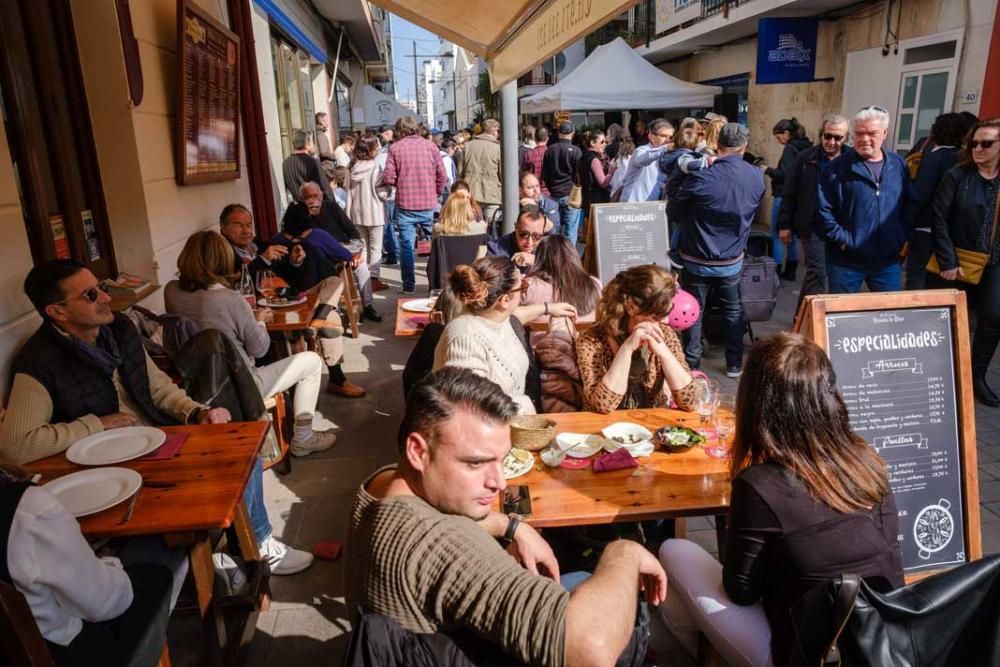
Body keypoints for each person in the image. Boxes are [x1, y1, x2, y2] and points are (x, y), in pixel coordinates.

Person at [1, 260, 313, 575]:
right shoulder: (39, 361)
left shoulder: (118, 330)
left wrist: (196, 411)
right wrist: (97, 424)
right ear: (58, 312)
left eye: (102, 288)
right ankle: (244, 548)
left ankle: (252, 544)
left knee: (244, 452)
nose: (107, 298)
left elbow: (159, 388)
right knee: (231, 466)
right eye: (91, 295)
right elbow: (16, 446)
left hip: (155, 440)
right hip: (110, 467)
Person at [347, 366, 666, 666]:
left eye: (502, 460)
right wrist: (624, 553)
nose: (499, 483)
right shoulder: (446, 542)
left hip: (410, 647)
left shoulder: (384, 482)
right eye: (475, 463)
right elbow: (589, 648)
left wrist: (510, 524)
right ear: (418, 451)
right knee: (613, 594)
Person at [659, 333, 903, 667]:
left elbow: (740, 591)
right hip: (880, 638)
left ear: (757, 404)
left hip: (806, 652)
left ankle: (711, 657)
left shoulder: (761, 483)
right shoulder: (866, 460)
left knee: (674, 552)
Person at [165, 231, 341, 456]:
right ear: (223, 259)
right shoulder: (228, 298)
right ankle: (303, 438)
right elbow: (260, 349)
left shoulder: (171, 291)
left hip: (195, 380)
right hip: (239, 382)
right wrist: (259, 322)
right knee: (312, 362)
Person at [0, 459, 174, 665]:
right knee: (155, 578)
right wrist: (105, 562)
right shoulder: (29, 510)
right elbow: (106, 603)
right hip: (56, 654)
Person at [219, 204, 366, 396]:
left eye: (249, 224)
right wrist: (262, 260)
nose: (246, 230)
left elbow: (288, 274)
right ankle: (334, 379)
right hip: (260, 311)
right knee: (331, 318)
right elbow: (240, 284)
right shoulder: (222, 253)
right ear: (223, 227)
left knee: (334, 282)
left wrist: (295, 260)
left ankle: (318, 318)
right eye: (239, 225)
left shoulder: (257, 244)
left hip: (283, 298)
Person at [668, 123, 765, 377]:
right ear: (744, 147)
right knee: (732, 309)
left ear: (717, 145)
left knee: (694, 310)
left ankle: (692, 364)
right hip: (731, 257)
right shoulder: (755, 175)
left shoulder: (701, 177)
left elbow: (673, 210)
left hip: (696, 256)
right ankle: (734, 363)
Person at [433, 256, 576, 414]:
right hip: (488, 432)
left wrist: (548, 308)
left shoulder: (496, 317)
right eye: (523, 287)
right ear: (505, 300)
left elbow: (515, 316)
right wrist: (524, 406)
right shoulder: (465, 338)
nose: (524, 291)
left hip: (510, 425)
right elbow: (468, 405)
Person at [931, 117, 1000, 406]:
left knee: (994, 318)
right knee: (946, 321)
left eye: (986, 143)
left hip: (995, 262)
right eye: (974, 143)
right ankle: (940, 378)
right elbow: (939, 217)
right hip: (959, 261)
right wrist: (948, 260)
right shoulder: (957, 176)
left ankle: (975, 378)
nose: (978, 148)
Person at [815, 106, 913, 294]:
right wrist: (844, 241)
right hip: (846, 262)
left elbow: (909, 204)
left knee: (889, 315)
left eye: (871, 133)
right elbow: (822, 211)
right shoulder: (836, 169)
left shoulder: (898, 165)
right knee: (842, 317)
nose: (864, 139)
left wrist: (900, 236)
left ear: (884, 133)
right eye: (859, 133)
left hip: (887, 262)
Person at [575, 265, 696, 414]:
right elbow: (602, 406)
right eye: (655, 316)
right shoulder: (591, 340)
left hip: (651, 424)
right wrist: (626, 349)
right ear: (631, 307)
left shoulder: (665, 333)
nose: (665, 322)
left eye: (667, 314)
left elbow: (691, 402)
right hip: (603, 428)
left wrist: (663, 352)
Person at [778, 114, 852, 311]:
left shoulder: (852, 160)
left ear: (846, 139)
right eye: (827, 136)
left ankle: (824, 318)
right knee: (817, 272)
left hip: (841, 226)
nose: (832, 142)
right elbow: (790, 192)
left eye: (838, 138)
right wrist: (785, 225)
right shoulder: (806, 158)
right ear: (821, 135)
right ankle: (807, 318)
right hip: (812, 225)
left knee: (836, 272)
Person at [906, 112, 978, 289]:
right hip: (951, 229)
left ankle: (912, 310)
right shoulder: (965, 158)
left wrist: (906, 221)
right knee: (940, 275)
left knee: (917, 272)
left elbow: (920, 194)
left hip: (925, 226)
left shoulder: (935, 157)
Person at [288, 191, 383, 324]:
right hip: (326, 261)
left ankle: (368, 306)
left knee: (362, 267)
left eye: (316, 196)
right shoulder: (302, 219)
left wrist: (356, 252)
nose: (313, 201)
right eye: (308, 198)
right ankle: (332, 311)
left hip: (345, 251)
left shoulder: (332, 208)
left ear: (321, 195)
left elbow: (353, 231)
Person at [379, 116, 448, 295]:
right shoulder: (431, 146)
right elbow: (442, 175)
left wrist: (400, 182)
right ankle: (437, 284)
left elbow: (388, 177)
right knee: (436, 245)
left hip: (405, 204)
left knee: (406, 247)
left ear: (400, 131)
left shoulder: (395, 148)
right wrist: (436, 192)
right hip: (428, 203)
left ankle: (409, 286)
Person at [759, 118, 812, 280]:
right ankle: (791, 270)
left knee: (776, 234)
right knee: (792, 235)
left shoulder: (790, 149)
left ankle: (775, 271)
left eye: (778, 136)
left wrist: (767, 170)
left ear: (787, 133)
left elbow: (785, 174)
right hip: (799, 197)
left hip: (784, 195)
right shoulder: (807, 147)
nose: (778, 140)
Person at [522, 235, 602, 322]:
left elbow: (511, 316)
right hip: (585, 335)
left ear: (540, 259)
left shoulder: (530, 286)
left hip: (546, 335)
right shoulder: (595, 284)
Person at [347, 136, 391, 292]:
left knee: (363, 248)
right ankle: (373, 279)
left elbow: (349, 191)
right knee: (376, 249)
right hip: (374, 212)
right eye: (376, 147)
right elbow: (382, 193)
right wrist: (389, 190)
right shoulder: (375, 167)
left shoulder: (352, 167)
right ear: (370, 150)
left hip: (357, 213)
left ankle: (363, 279)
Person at [542, 121, 583, 244]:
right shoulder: (576, 151)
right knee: (571, 230)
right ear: (573, 133)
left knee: (554, 230)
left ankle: (555, 257)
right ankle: (569, 259)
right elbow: (579, 175)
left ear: (558, 133)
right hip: (570, 194)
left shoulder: (550, 150)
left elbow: (545, 174)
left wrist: (551, 187)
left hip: (553, 194)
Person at [459, 118, 503, 226]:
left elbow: (460, 171)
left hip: (471, 193)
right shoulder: (498, 148)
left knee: (471, 227)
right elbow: (503, 174)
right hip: (492, 195)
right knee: (492, 228)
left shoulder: (468, 146)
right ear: (494, 131)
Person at [620, 118, 674, 202]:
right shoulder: (641, 150)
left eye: (671, 137)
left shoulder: (667, 157)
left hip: (651, 209)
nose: (668, 140)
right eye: (664, 136)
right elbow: (640, 160)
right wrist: (665, 148)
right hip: (631, 207)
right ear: (652, 137)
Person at [487, 204, 552, 271]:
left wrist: (537, 262)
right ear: (516, 227)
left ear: (543, 232)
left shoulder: (549, 248)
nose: (529, 242)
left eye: (536, 236)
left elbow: (559, 271)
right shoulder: (497, 249)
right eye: (524, 234)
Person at [657, 126, 711, 202]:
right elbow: (690, 165)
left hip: (668, 195)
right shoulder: (684, 157)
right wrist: (708, 160)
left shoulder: (669, 156)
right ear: (695, 144)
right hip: (679, 197)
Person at [282, 129, 335, 203]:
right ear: (307, 145)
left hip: (298, 209)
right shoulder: (313, 162)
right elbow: (325, 189)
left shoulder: (286, 163)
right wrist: (333, 208)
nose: (314, 145)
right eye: (312, 142)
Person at [577, 130, 616, 212]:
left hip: (586, 197)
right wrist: (611, 170)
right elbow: (603, 183)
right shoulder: (594, 160)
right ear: (592, 143)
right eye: (602, 142)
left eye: (605, 142)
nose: (605, 144)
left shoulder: (583, 156)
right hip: (596, 200)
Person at [521, 126, 549, 193]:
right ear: (547, 139)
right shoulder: (552, 153)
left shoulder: (529, 154)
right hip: (548, 191)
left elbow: (524, 173)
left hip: (533, 191)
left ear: (535, 139)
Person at [609, 136, 635, 201]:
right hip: (628, 192)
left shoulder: (619, 160)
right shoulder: (633, 159)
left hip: (618, 191)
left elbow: (614, 181)